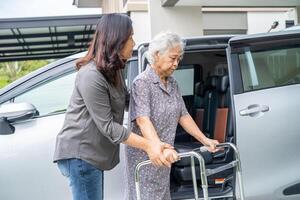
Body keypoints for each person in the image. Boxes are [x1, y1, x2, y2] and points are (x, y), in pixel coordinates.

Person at [53, 14, 173, 200]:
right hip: (80, 154)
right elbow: (109, 128)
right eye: (130, 37)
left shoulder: (114, 70)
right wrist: (150, 145)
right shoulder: (91, 76)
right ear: (116, 40)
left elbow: (127, 101)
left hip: (92, 154)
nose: (134, 43)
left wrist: (156, 100)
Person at [124, 32, 219, 200]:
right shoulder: (142, 82)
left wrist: (205, 140)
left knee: (162, 195)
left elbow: (183, 115)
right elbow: (142, 120)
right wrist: (156, 147)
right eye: (172, 58)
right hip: (147, 156)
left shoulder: (172, 83)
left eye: (178, 59)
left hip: (165, 155)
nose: (176, 64)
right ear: (156, 55)